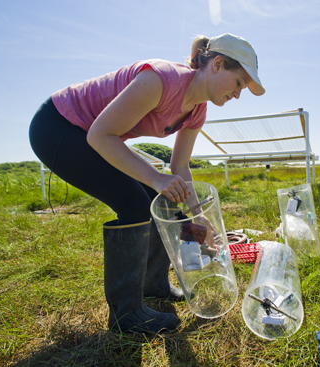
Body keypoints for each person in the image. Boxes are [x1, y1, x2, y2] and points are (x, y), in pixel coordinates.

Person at [29, 33, 265, 334]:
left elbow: (179, 165)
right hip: (58, 126)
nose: (238, 94)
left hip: (94, 134)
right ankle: (126, 314)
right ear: (217, 64)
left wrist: (198, 214)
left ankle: (154, 284)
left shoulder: (198, 109)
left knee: (161, 201)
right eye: (239, 83)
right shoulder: (161, 80)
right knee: (136, 206)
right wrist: (155, 177)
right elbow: (100, 135)